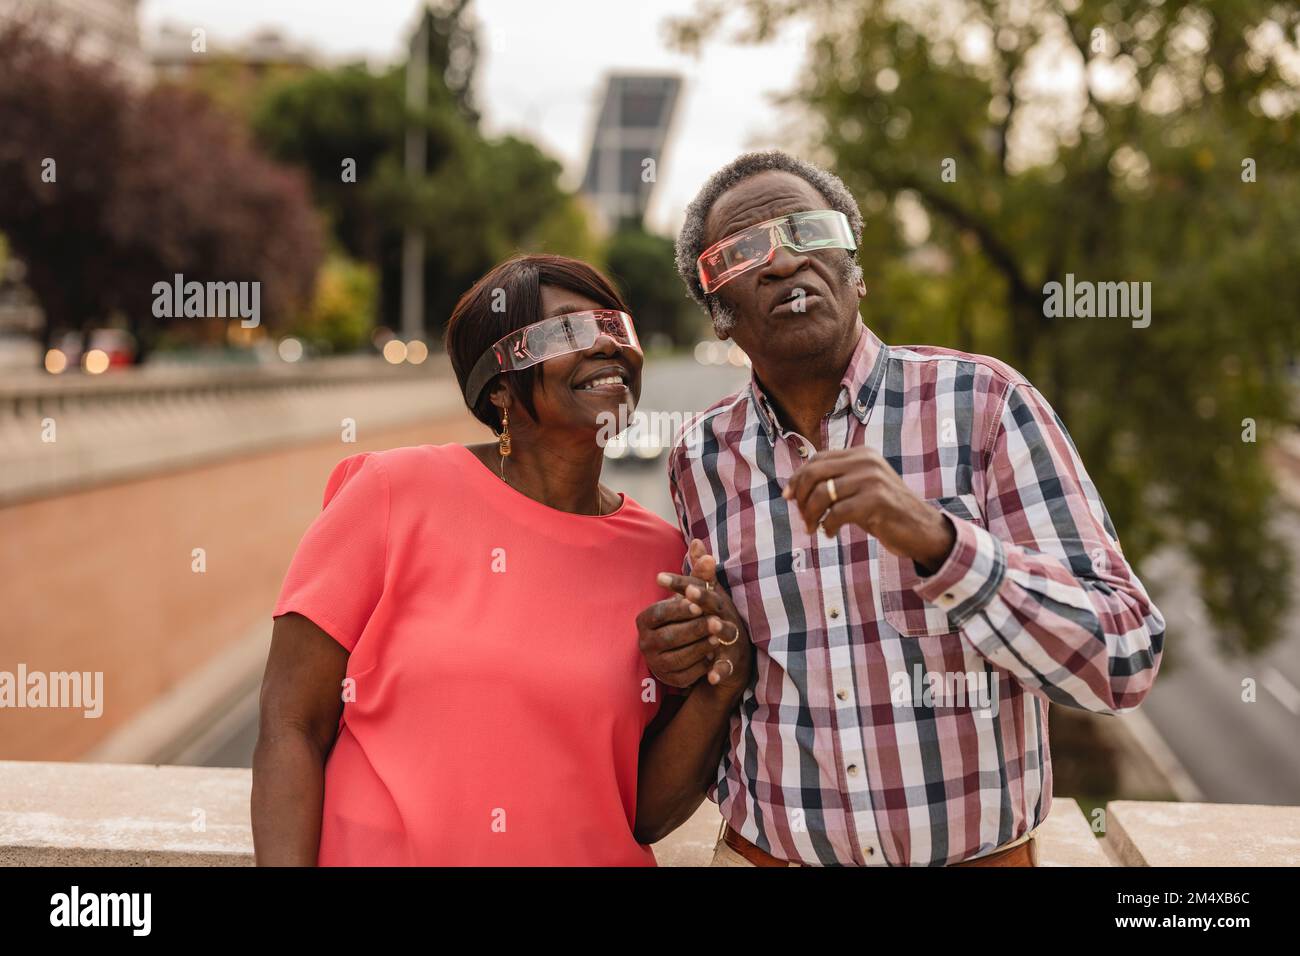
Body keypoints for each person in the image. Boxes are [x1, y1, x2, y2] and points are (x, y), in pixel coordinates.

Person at [636, 151, 1166, 867]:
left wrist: (940, 542)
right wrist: (701, 651)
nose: (783, 262)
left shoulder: (985, 405)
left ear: (857, 272)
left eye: (806, 231)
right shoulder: (699, 458)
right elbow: (739, 669)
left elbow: (1124, 658)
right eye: (744, 252)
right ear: (720, 315)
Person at [252, 254, 749, 865]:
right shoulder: (391, 492)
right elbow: (290, 727)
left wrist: (721, 681)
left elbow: (643, 812)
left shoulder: (665, 557)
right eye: (567, 331)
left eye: (615, 327)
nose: (606, 346)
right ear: (499, 384)